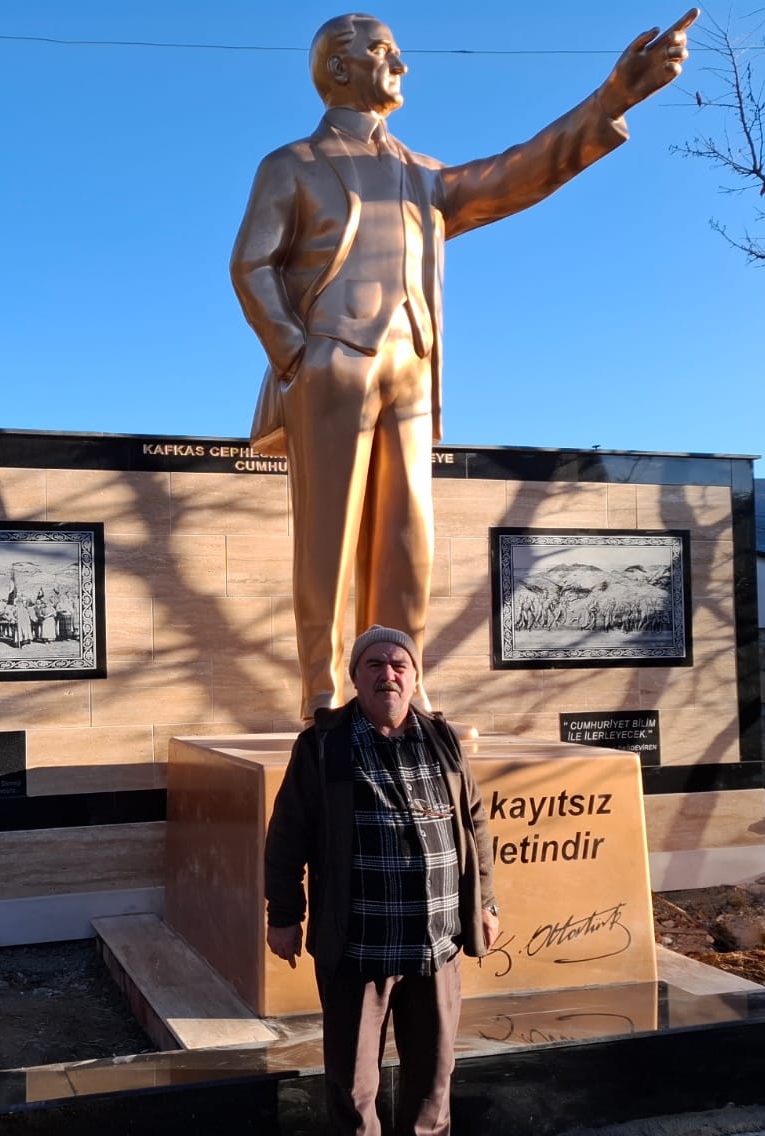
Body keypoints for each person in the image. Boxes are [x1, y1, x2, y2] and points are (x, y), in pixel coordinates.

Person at [231, 11, 696, 721]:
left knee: (407, 536)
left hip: (412, 368)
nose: (401, 65)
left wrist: (612, 99)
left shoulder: (425, 175)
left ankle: (401, 682)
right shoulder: (292, 164)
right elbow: (251, 265)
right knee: (326, 536)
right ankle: (323, 689)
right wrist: (297, 352)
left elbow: (517, 172)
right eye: (384, 52)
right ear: (339, 68)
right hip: (333, 361)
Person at [265, 624, 498, 1136]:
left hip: (436, 938)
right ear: (355, 677)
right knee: (354, 1079)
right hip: (357, 943)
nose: (387, 674)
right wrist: (285, 914)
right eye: (374, 665)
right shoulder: (324, 744)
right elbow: (288, 834)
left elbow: (474, 823)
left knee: (433, 1068)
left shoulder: (441, 738)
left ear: (414, 676)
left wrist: (485, 902)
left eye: (399, 665)